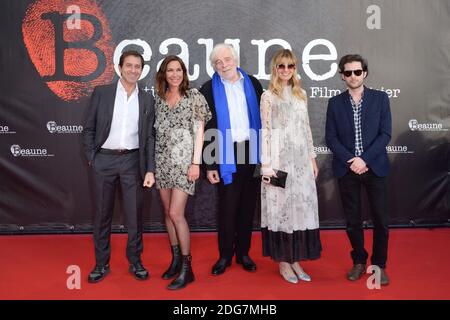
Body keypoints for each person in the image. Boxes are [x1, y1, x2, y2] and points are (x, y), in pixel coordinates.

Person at [83, 50, 156, 283]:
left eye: (137, 66)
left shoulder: (147, 99)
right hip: (103, 160)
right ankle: (100, 264)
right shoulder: (102, 93)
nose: (133, 70)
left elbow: (149, 138)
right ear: (119, 67)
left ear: (142, 70)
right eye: (129, 65)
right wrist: (92, 157)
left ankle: (135, 261)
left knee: (134, 216)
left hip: (132, 162)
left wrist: (150, 169)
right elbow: (89, 128)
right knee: (102, 215)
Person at [325, 54, 392, 285]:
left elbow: (385, 134)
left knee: (381, 220)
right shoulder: (334, 103)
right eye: (347, 72)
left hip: (375, 167)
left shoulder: (381, 99)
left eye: (357, 71)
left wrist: (364, 159)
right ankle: (359, 261)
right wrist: (352, 160)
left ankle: (379, 265)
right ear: (342, 76)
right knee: (352, 221)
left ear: (364, 72)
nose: (352, 76)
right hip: (347, 169)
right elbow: (331, 138)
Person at [259, 49, 322, 284]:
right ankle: (284, 263)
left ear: (295, 68)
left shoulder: (301, 94)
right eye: (281, 66)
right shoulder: (268, 96)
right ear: (275, 68)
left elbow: (306, 129)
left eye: (290, 66)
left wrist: (312, 159)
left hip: (301, 162)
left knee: (299, 211)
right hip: (278, 161)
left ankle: (296, 260)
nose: (286, 70)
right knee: (281, 211)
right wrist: (266, 164)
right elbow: (265, 131)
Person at [200, 43, 263, 276]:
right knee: (227, 208)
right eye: (217, 62)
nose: (223, 64)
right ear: (214, 67)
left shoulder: (253, 83)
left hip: (252, 151)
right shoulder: (208, 89)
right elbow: (207, 128)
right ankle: (225, 255)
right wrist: (210, 164)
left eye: (226, 59)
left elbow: (264, 120)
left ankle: (244, 253)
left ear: (235, 59)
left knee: (248, 206)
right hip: (225, 153)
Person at [154, 55, 211, 290]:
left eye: (178, 70)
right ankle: (176, 259)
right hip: (162, 161)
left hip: (184, 162)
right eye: (170, 70)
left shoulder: (194, 96)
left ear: (184, 73)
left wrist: (196, 162)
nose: (175, 74)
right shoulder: (158, 98)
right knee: (168, 213)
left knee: (177, 213)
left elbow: (200, 132)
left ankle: (188, 269)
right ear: (164, 74)